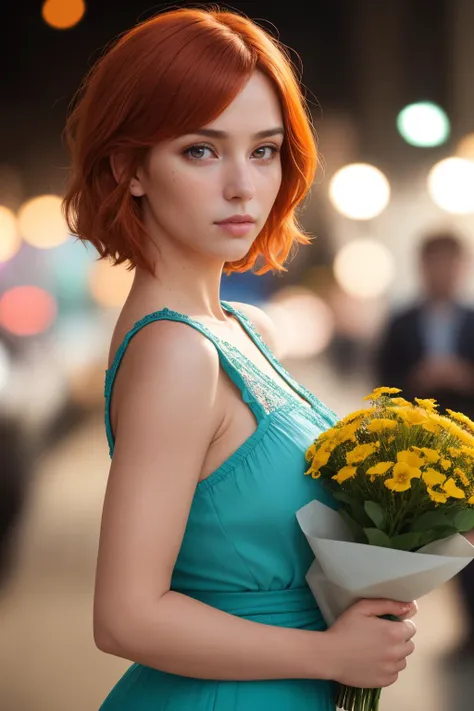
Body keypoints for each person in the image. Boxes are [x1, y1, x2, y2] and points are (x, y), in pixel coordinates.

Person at [63, 8, 417, 710]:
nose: (243, 186)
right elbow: (124, 615)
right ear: (128, 167)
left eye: (264, 149)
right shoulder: (176, 350)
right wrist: (329, 651)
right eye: (201, 149)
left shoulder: (241, 327)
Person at [376, 230, 474, 660]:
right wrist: (418, 381)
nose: (442, 271)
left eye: (450, 263)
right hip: (422, 451)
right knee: (435, 542)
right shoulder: (400, 322)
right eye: (434, 262)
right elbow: (382, 384)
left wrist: (461, 377)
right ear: (422, 266)